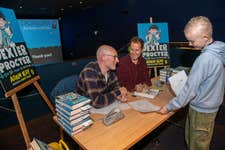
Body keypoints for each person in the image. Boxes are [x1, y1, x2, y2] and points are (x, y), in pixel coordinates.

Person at [158, 16, 225, 150]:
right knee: (201, 139)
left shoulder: (204, 59)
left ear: (205, 37)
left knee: (196, 144)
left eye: (192, 41)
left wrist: (169, 107)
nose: (189, 44)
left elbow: (189, 90)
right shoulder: (219, 50)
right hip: (211, 106)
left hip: (201, 110)